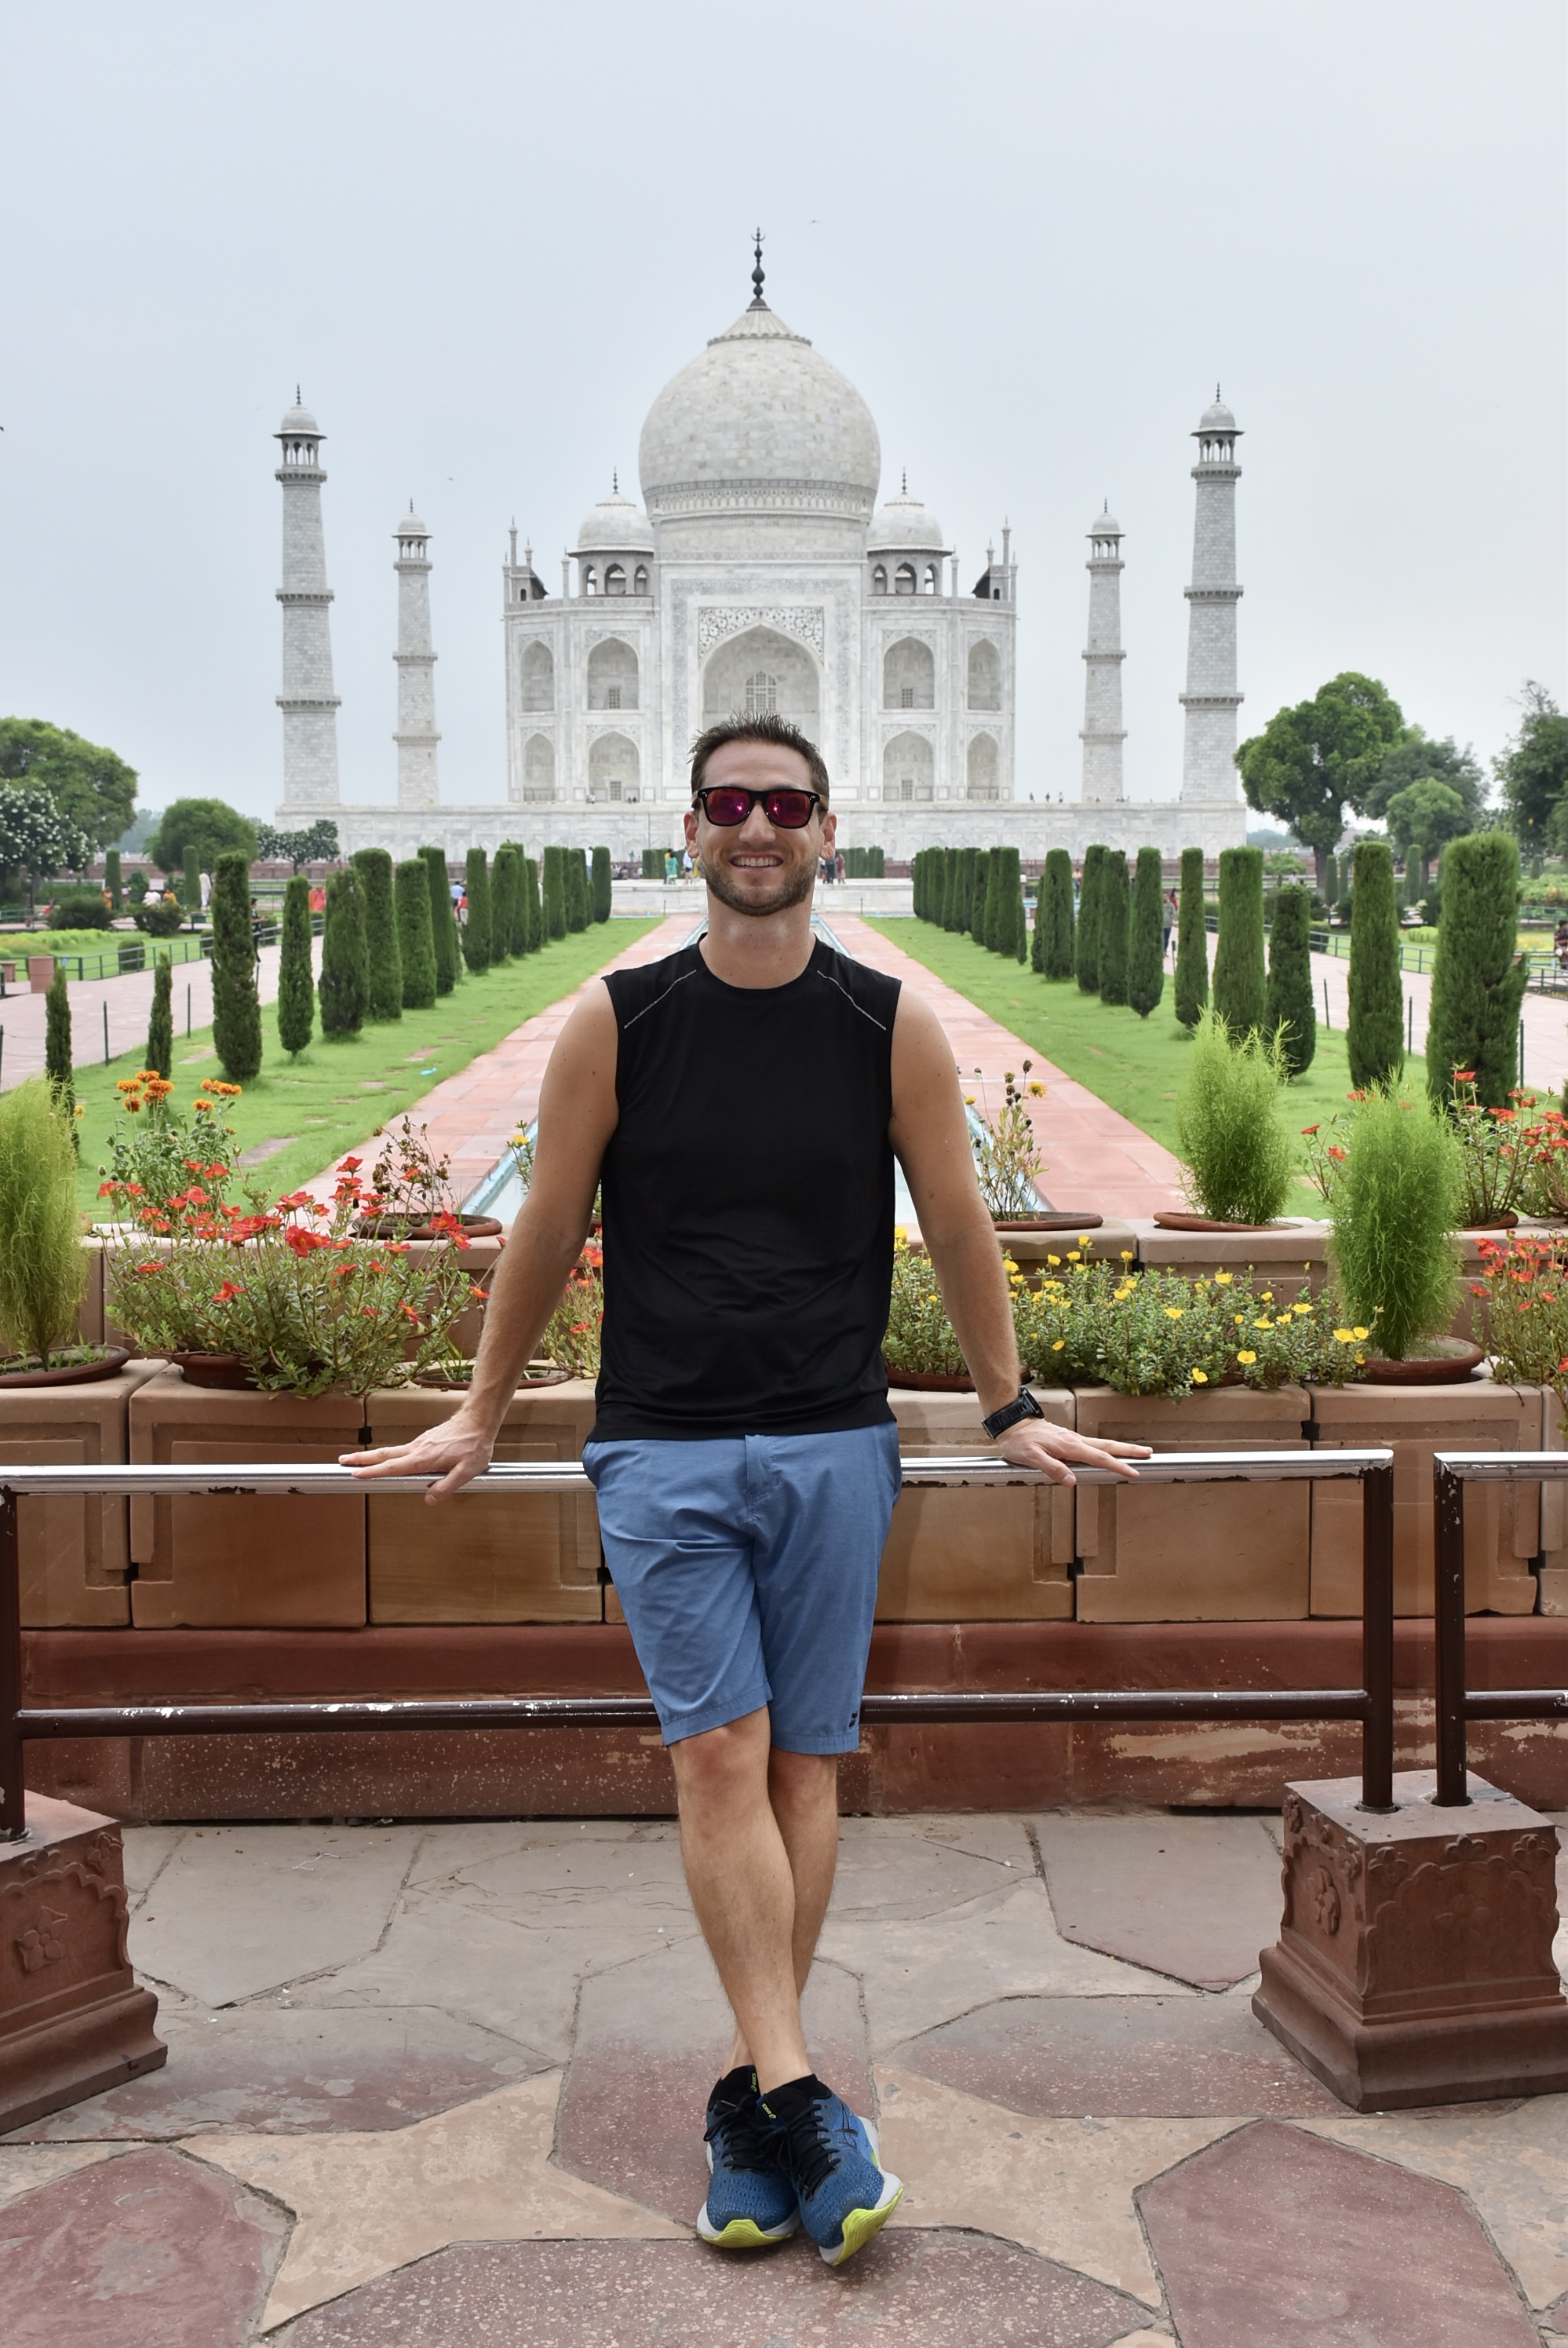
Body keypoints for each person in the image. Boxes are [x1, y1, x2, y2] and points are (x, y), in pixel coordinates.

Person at [345, 713, 1147, 2268]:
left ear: (827, 827)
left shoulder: (886, 1021)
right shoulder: (619, 1019)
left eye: (784, 802)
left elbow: (963, 1220)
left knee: (806, 1768)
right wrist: (482, 1407)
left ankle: (750, 2106)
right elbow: (543, 1223)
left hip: (837, 1437)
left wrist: (1010, 1405)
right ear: (691, 826)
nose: (757, 826)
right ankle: (799, 2091)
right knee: (720, 1752)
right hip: (661, 1442)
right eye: (730, 803)